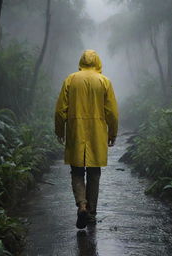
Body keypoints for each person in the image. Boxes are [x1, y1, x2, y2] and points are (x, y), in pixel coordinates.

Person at [54, 49, 118, 229]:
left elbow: (60, 110)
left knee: (76, 171)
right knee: (94, 173)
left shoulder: (71, 79)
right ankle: (91, 212)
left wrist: (60, 130)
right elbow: (112, 112)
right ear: (97, 62)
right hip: (97, 133)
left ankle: (82, 205)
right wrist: (112, 133)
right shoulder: (104, 81)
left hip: (76, 130)